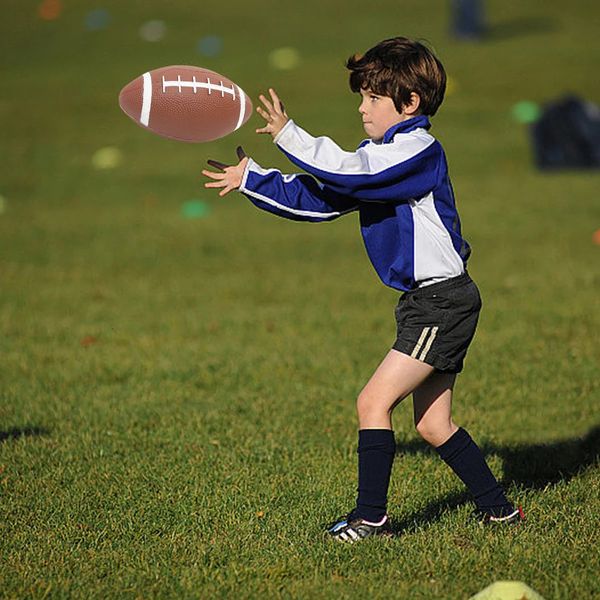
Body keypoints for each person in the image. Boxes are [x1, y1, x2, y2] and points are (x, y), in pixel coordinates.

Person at [202, 37, 523, 543]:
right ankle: (500, 512)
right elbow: (323, 198)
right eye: (363, 97)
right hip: (429, 302)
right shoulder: (380, 160)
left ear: (409, 103)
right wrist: (253, 180)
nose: (361, 108)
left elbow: (351, 172)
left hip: (441, 302)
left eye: (373, 98)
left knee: (372, 403)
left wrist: (292, 135)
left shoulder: (416, 151)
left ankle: (371, 519)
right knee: (435, 425)